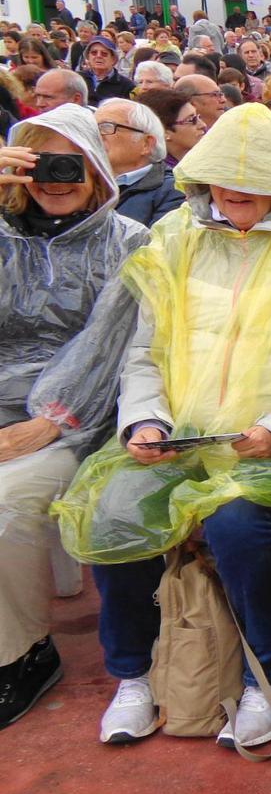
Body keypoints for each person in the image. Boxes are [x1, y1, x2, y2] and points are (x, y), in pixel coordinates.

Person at [53, 105, 271, 750]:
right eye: (221, 176)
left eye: (250, 178)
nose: (234, 191)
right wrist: (144, 421)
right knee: (113, 511)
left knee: (236, 525)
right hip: (179, 434)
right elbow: (143, 349)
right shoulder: (175, 237)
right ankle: (132, 674)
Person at [0, 106, 150, 728]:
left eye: (73, 164)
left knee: (5, 506)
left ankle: (21, 654)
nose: (56, 179)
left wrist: (50, 423)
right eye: (39, 165)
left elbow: (106, 350)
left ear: (97, 169)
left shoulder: (128, 243)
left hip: (78, 414)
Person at [94, 99, 184, 225]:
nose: (95, 135)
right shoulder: (85, 183)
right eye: (92, 127)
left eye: (106, 127)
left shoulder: (173, 191)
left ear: (146, 144)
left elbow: (156, 242)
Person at [137, 87, 209, 169]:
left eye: (198, 117)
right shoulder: (157, 177)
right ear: (164, 132)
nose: (203, 125)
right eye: (191, 120)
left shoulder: (209, 158)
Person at [77, 37, 135, 105]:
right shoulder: (77, 78)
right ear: (88, 57)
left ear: (113, 59)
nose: (98, 56)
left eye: (104, 53)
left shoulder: (126, 86)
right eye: (94, 53)